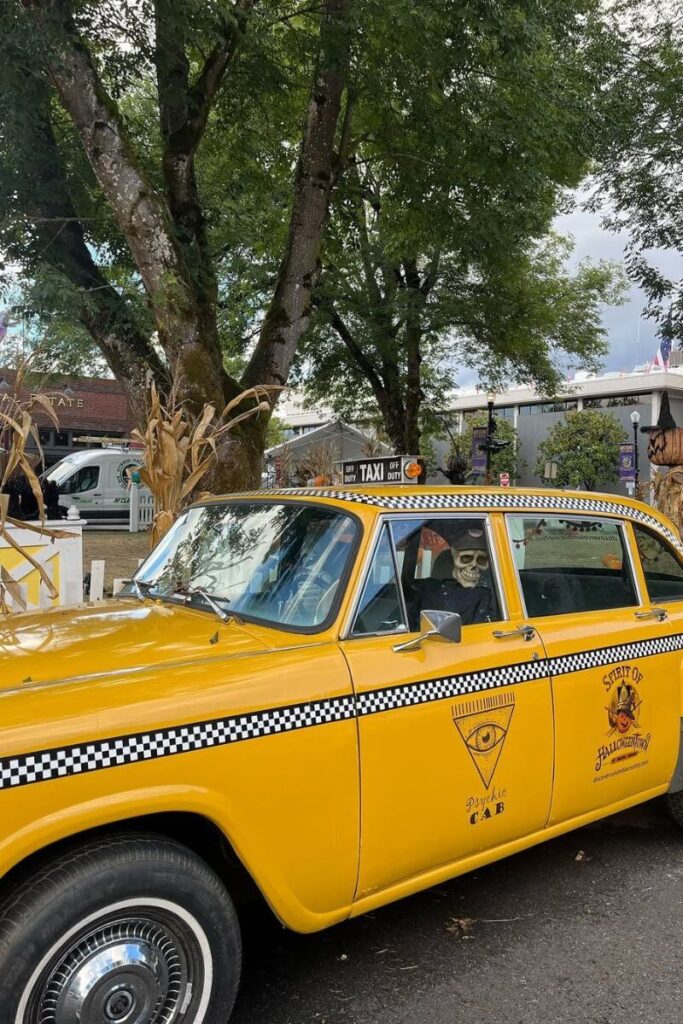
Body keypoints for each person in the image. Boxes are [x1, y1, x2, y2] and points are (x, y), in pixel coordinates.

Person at [419, 522, 493, 624]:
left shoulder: (490, 595)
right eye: (466, 558)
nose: (474, 565)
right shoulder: (427, 591)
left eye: (481, 560)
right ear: (453, 557)